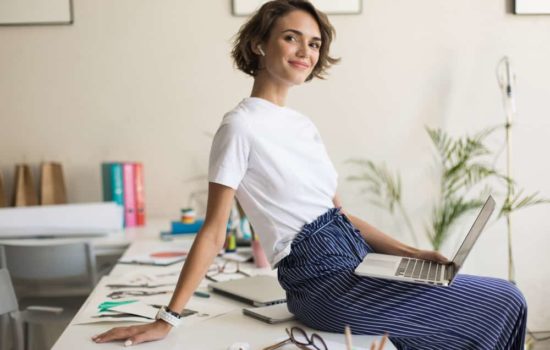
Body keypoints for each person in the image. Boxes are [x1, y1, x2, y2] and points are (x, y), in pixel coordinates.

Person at [92, 1, 528, 348]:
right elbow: (213, 230)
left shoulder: (302, 127)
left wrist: (414, 254)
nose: (306, 52)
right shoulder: (239, 126)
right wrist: (167, 318)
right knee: (506, 300)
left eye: (315, 44)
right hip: (321, 281)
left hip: (356, 260)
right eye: (292, 38)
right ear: (261, 44)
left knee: (456, 333)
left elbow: (342, 216)